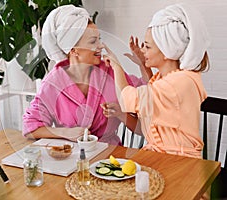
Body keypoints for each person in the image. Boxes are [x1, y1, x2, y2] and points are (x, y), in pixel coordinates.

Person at [22, 5, 150, 145]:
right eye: (93, 41)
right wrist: (65, 133)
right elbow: (30, 127)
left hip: (110, 156)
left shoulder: (110, 72)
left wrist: (143, 64)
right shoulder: (53, 84)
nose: (100, 45)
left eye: (99, 39)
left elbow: (149, 96)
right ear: (73, 50)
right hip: (71, 158)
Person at [104, 3, 210, 158]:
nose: (143, 50)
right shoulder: (172, 78)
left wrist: (116, 66)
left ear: (167, 51)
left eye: (147, 46)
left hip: (180, 162)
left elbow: (126, 99)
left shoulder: (179, 83)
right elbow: (151, 100)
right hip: (163, 157)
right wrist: (143, 65)